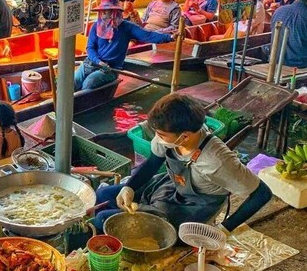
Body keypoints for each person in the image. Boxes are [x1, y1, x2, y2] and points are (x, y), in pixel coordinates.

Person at [92, 94, 272, 232]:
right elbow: (153, 162)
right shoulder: (170, 136)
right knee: (102, 195)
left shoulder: (218, 161)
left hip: (193, 208)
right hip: (170, 187)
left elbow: (262, 193)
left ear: (184, 136)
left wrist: (225, 228)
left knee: (102, 219)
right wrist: (129, 187)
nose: (157, 138)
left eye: (161, 135)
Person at [75, 0, 173, 91]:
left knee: (88, 84)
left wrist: (170, 37)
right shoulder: (96, 26)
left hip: (110, 69)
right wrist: (98, 61)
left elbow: (147, 35)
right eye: (102, 11)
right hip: (91, 63)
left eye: (107, 11)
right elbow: (90, 48)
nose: (104, 14)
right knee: (72, 82)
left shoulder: (127, 27)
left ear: (115, 12)